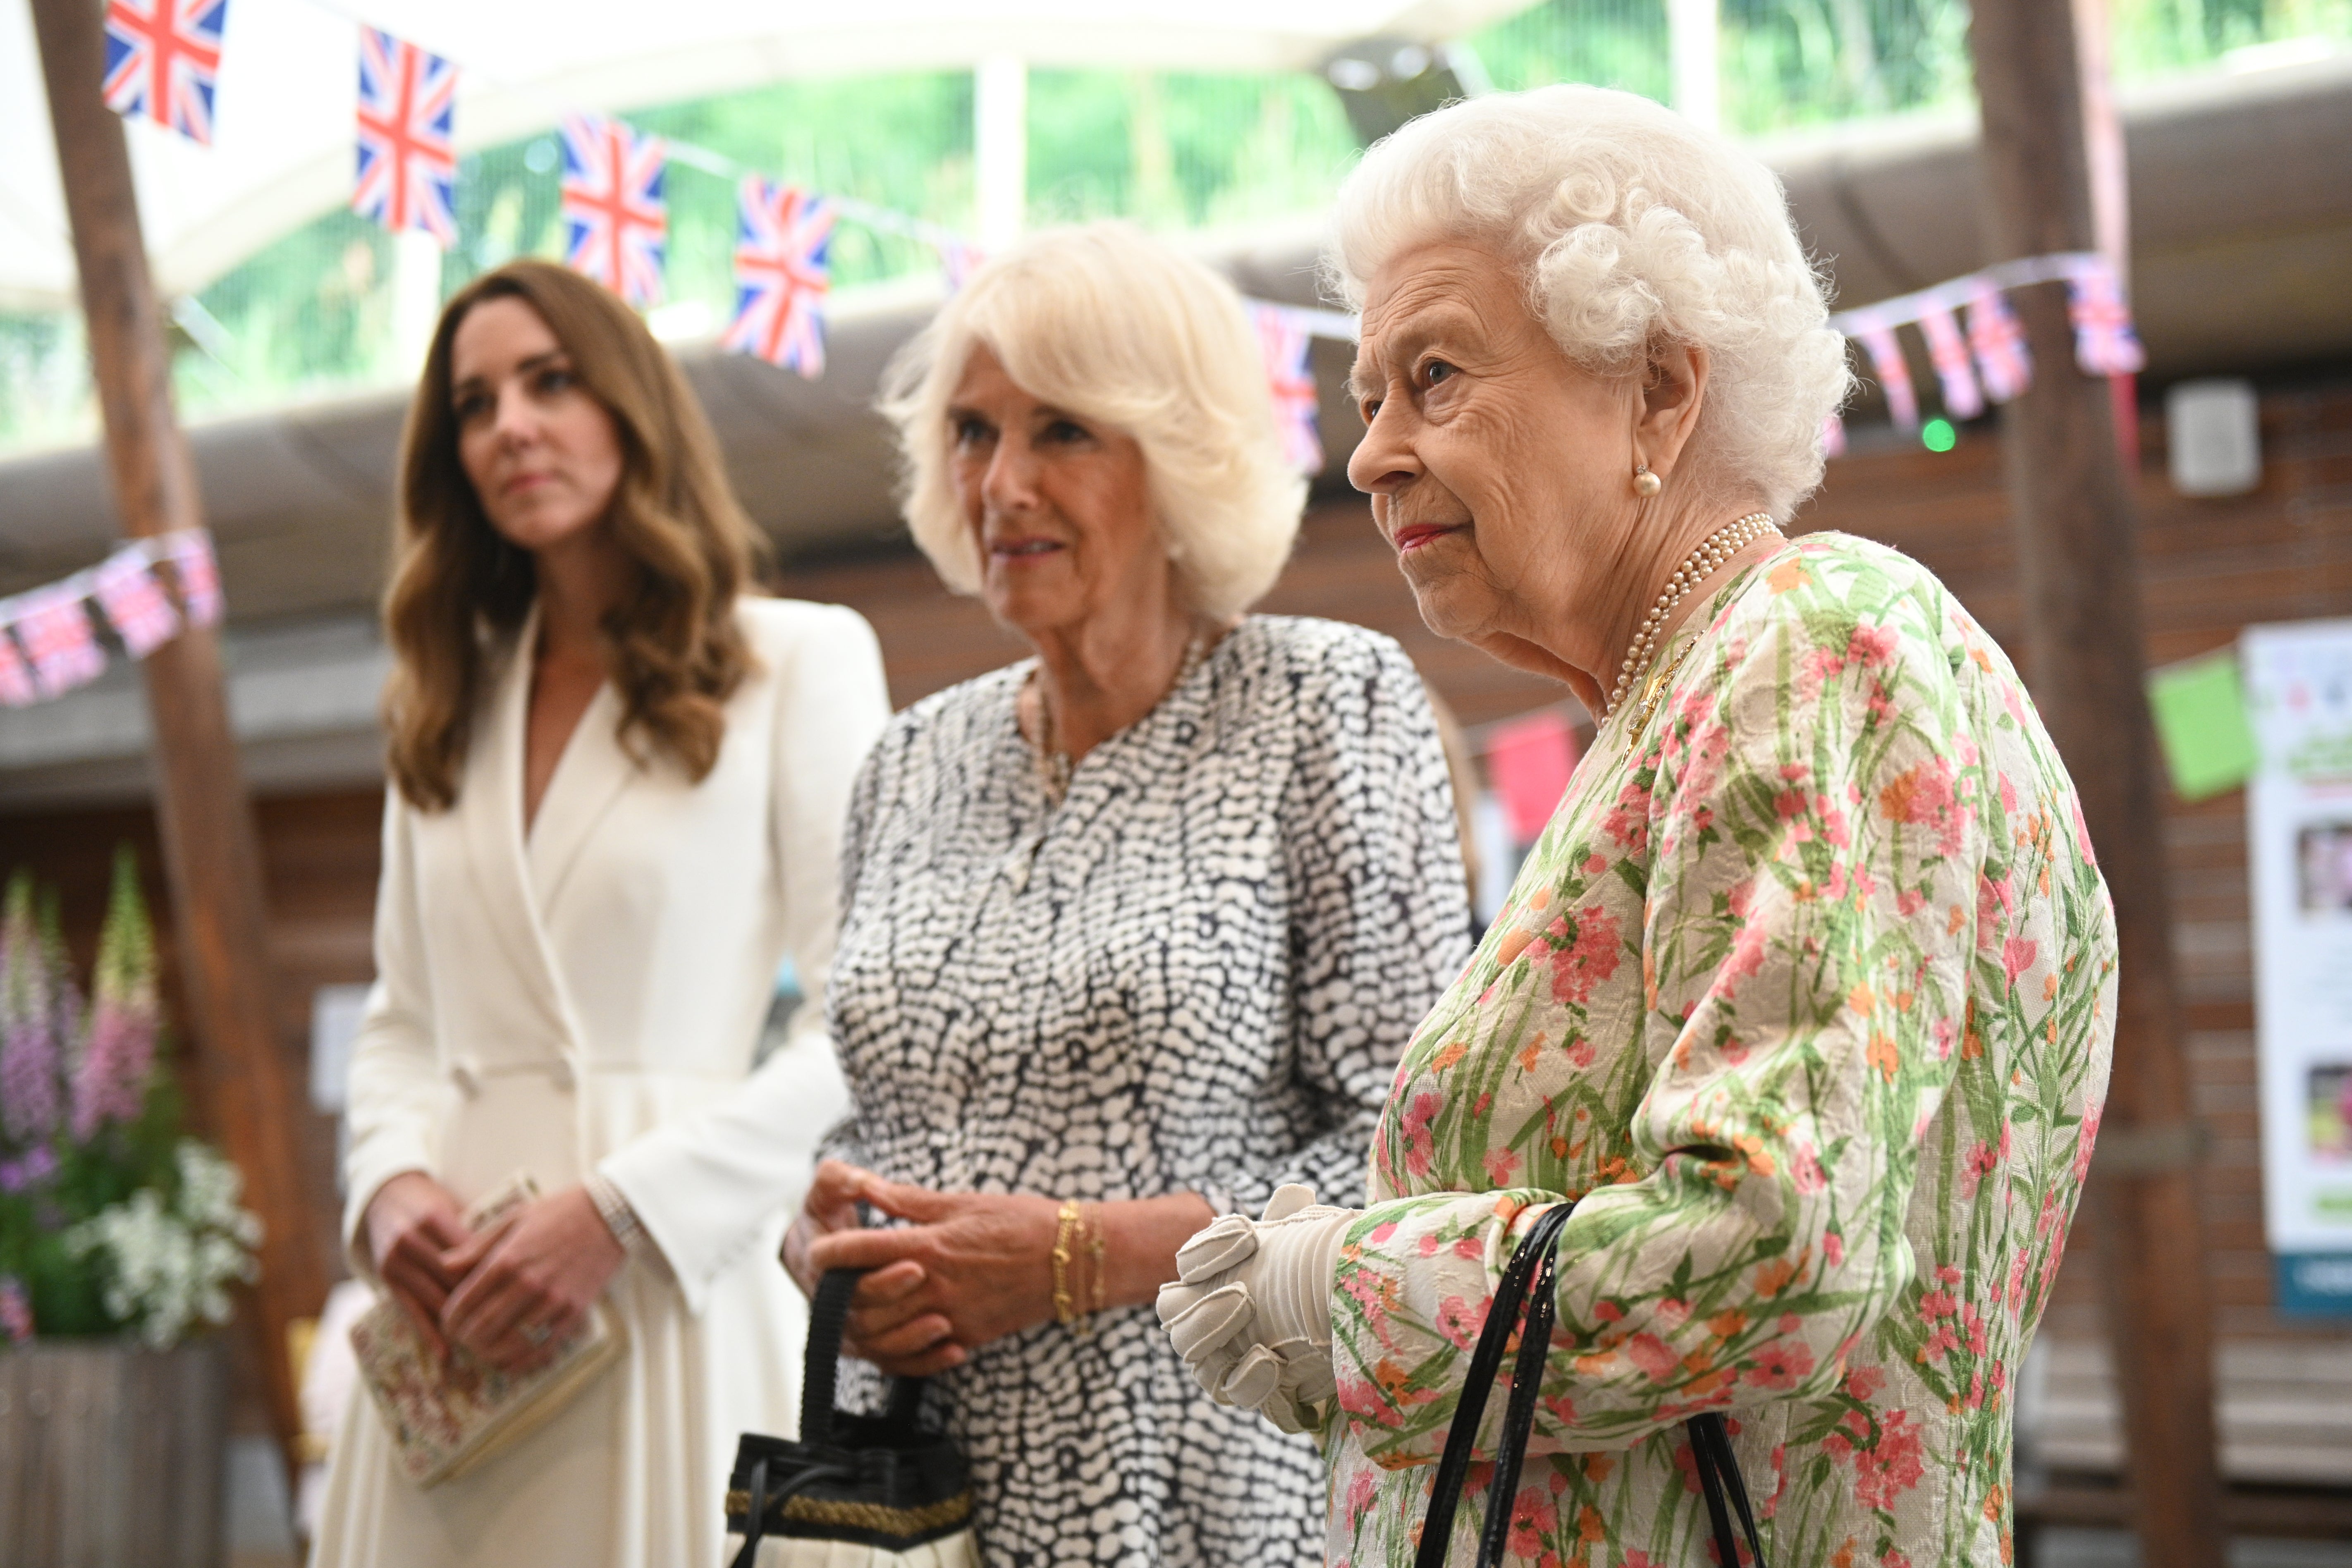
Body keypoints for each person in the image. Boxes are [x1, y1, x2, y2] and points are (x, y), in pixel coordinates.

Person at [1157, 86, 2117, 1568]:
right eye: (1368, 400)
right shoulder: (1687, 697)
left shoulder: (1810, 641)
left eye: (1436, 376)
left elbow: (1768, 1244)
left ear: (1661, 390)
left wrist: (1336, 1287)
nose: (1371, 457)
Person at [782, 223, 1473, 1567]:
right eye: (974, 435)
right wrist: (826, 1247)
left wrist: (1072, 1257)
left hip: (1218, 1497)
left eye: (1064, 433)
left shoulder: (1327, 703)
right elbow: (871, 1116)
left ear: (1182, 457)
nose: (1003, 483)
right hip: (908, 1505)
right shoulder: (906, 762)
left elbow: (1416, 1160)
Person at [310, 259, 891, 1568]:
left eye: (550, 381)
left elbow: (864, 1026)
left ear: (631, 405)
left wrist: (623, 1211)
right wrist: (387, 1190)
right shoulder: (443, 707)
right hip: (453, 1317)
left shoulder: (798, 660)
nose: (510, 424)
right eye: (474, 403)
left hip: (664, 1280)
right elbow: (403, 1023)